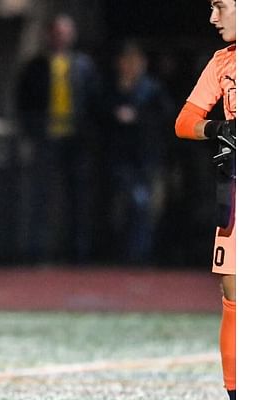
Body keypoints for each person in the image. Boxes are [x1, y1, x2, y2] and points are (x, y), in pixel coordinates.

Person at [174, 0, 235, 398]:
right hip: (238, 192)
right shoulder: (222, 62)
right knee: (235, 298)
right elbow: (184, 123)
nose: (212, 17)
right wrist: (219, 129)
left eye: (220, 6)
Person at [16, 13, 100, 264]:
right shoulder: (35, 66)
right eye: (57, 32)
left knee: (78, 197)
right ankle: (37, 251)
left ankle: (78, 252)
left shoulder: (84, 65)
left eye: (65, 32)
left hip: (76, 141)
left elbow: (94, 101)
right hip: (45, 139)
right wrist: (30, 132)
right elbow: (23, 100)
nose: (61, 37)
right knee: (40, 196)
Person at [98, 41, 173, 264]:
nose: (130, 66)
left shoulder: (152, 91)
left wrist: (138, 117)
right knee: (123, 206)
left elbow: (167, 118)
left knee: (145, 206)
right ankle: (122, 253)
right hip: (119, 157)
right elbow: (98, 114)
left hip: (146, 157)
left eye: (135, 61)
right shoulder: (111, 89)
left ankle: (139, 256)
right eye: (126, 61)